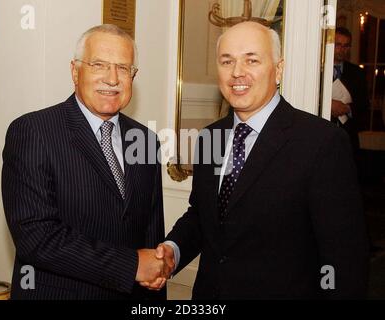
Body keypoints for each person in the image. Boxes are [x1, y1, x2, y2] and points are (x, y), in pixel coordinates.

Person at [151, 21, 369, 299]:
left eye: (251, 60)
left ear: (278, 70)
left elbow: (345, 257)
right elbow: (203, 216)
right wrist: (173, 249)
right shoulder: (209, 137)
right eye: (226, 61)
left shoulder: (321, 142)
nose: (237, 72)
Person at [2, 24, 167, 300]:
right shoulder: (33, 131)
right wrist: (132, 266)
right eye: (99, 64)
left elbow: (151, 234)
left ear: (133, 76)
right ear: (75, 71)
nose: (112, 78)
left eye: (123, 68)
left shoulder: (147, 140)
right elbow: (36, 237)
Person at [331, 27, 369, 153]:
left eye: (346, 46)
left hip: (348, 138)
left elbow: (365, 107)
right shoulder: (318, 69)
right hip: (322, 132)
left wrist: (348, 108)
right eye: (338, 45)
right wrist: (328, 105)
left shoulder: (358, 73)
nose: (342, 49)